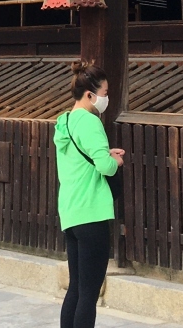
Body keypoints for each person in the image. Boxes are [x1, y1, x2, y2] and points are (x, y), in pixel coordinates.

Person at [53, 61, 125, 328]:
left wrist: (104, 154)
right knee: (89, 293)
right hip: (92, 212)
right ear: (89, 95)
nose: (106, 98)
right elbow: (105, 167)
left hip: (71, 211)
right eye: (104, 92)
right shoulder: (91, 122)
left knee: (76, 288)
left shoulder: (65, 121)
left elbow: (81, 158)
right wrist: (115, 161)